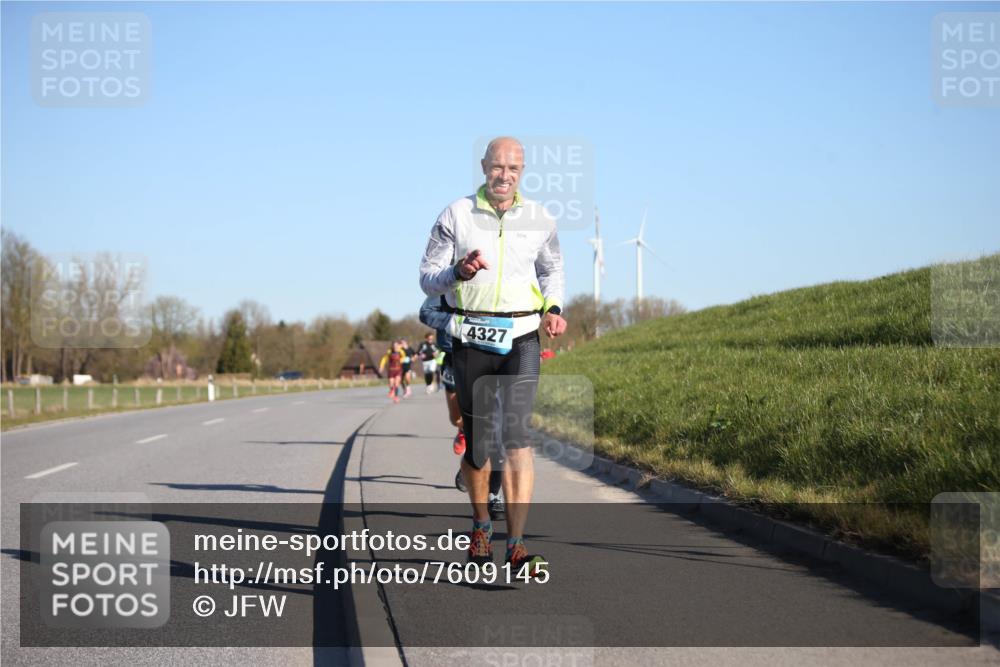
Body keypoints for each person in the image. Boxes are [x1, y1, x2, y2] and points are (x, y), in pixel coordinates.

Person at [419, 136, 566, 576]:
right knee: (480, 443)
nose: (505, 176)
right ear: (484, 167)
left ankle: (517, 545)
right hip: (471, 334)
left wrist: (553, 308)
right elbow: (427, 278)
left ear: (523, 172)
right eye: (497, 167)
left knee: (519, 436)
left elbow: (552, 269)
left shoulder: (540, 219)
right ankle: (481, 524)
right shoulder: (456, 214)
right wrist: (457, 271)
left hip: (522, 334)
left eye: (514, 169)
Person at [419, 295, 505, 519]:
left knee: (497, 434)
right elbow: (426, 312)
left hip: (491, 358)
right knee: (457, 418)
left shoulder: (499, 289)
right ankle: (469, 446)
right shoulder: (447, 289)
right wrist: (458, 324)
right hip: (455, 357)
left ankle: (494, 496)